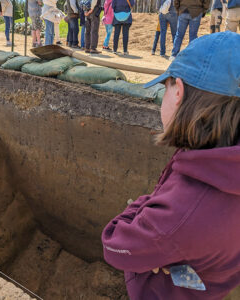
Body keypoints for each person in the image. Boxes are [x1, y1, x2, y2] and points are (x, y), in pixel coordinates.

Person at [102, 31, 240, 300]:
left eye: (165, 87)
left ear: (179, 91)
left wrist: (140, 209)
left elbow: (114, 243)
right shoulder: (218, 163)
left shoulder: (178, 216)